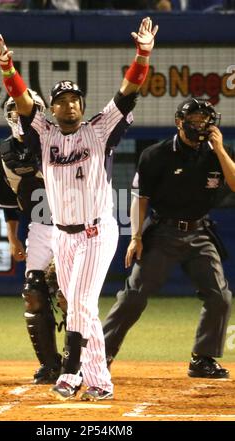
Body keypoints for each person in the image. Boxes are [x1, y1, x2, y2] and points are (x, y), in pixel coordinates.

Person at [0, 16, 158, 401]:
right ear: (51, 107)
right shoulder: (42, 134)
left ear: (82, 105)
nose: (68, 105)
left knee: (79, 302)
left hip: (98, 231)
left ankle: (71, 371)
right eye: (61, 100)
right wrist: (6, 68)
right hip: (63, 236)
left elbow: (129, 88)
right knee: (83, 308)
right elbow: (20, 99)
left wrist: (143, 53)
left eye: (74, 100)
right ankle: (100, 382)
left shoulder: (99, 130)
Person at [103, 97, 235, 379]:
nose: (201, 125)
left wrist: (221, 150)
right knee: (134, 297)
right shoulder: (156, 154)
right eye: (196, 119)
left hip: (199, 232)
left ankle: (202, 359)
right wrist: (136, 236)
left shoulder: (216, 152)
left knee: (220, 297)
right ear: (179, 122)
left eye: (206, 119)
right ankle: (99, 356)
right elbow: (140, 199)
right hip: (162, 232)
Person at [0, 90, 66, 384]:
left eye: (28, 109)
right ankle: (50, 365)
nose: (20, 114)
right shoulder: (3, 155)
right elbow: (8, 202)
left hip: (73, 225)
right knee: (33, 293)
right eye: (14, 109)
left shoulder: (59, 141)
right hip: (39, 225)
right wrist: (13, 238)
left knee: (68, 295)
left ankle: (79, 361)